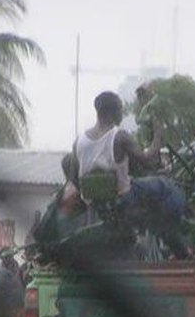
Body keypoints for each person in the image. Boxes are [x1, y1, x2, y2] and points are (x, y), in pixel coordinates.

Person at [73, 91, 188, 258]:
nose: (121, 115)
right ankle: (171, 230)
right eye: (120, 110)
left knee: (143, 183)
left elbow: (75, 176)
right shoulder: (118, 136)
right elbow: (148, 160)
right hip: (124, 197)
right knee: (168, 186)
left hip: (97, 205)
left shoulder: (79, 141)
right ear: (114, 112)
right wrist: (157, 135)